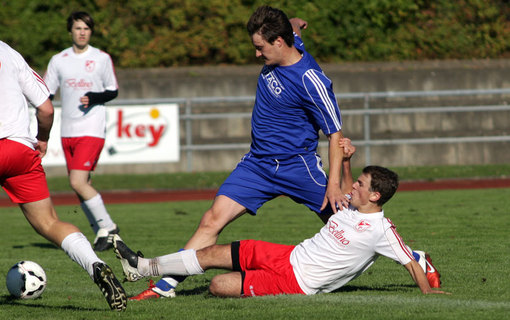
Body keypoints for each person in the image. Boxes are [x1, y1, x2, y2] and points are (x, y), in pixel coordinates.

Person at [128, 5, 347, 300]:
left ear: (279, 42)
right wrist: (294, 23)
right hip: (256, 165)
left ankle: (413, 257)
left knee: (350, 225)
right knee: (211, 220)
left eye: (260, 48)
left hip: (298, 166)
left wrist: (333, 186)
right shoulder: (287, 41)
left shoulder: (311, 79)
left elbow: (335, 134)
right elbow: (291, 28)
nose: (256, 54)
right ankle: (165, 285)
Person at [113, 140, 446, 297]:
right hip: (287, 255)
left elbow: (409, 262)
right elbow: (344, 185)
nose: (353, 187)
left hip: (296, 283)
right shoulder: (350, 206)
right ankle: (142, 268)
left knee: (217, 286)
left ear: (375, 196)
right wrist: (346, 160)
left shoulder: (382, 229)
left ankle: (158, 279)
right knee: (212, 253)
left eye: (361, 184)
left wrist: (427, 292)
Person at [0, 40, 127, 311]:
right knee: (49, 223)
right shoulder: (8, 53)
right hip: (21, 150)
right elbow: (45, 108)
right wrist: (42, 139)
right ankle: (96, 264)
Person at [43, 11, 119, 251]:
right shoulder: (59, 60)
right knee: (81, 183)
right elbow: (46, 92)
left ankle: (109, 227)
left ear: (91, 31)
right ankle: (101, 234)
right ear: (70, 31)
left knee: (77, 182)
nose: (82, 32)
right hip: (68, 129)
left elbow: (112, 90)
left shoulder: (101, 58)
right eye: (78, 28)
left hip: (92, 128)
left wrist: (95, 97)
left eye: (86, 28)